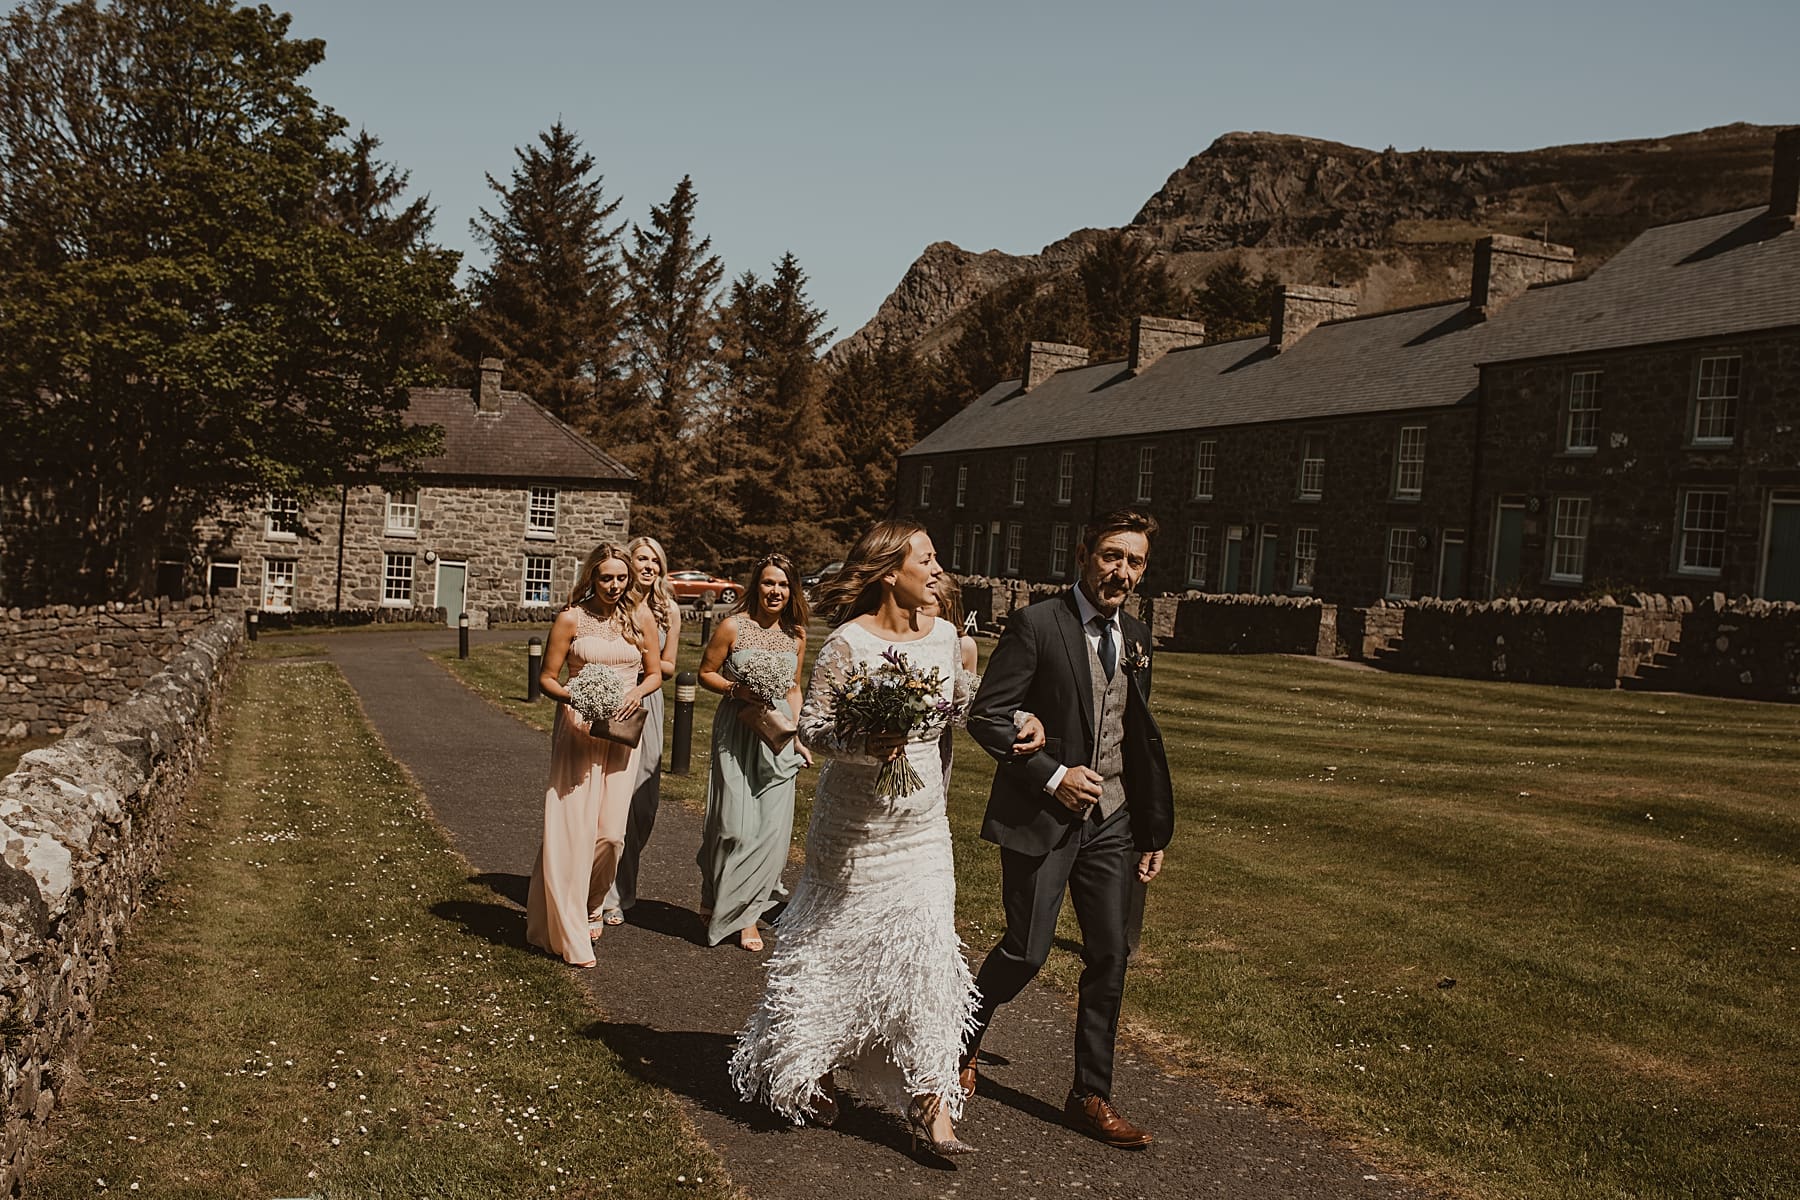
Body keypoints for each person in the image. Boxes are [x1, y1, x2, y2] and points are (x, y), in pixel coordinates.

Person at [730, 521, 1037, 1162]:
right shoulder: (847, 643)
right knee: (838, 951)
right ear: (891, 571)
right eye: (927, 559)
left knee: (930, 954)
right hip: (853, 831)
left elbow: (963, 707)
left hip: (923, 828)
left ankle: (932, 1100)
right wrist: (867, 745)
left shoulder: (949, 637)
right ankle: (808, 1065)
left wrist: (1020, 718)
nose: (938, 568)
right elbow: (812, 728)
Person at [960, 509, 1175, 1148]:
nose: (1122, 572)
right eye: (1112, 556)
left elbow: (1134, 738)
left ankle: (1090, 1094)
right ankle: (955, 1044)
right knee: (1027, 951)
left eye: (1134, 561)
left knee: (1110, 955)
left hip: (1113, 823)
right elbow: (988, 716)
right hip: (1044, 816)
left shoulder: (1137, 635)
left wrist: (1150, 831)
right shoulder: (1037, 624)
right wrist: (1054, 776)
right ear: (1084, 554)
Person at [526, 543, 663, 968]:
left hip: (621, 734)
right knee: (572, 829)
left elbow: (655, 673)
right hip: (577, 731)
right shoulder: (571, 618)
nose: (615, 585)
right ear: (592, 577)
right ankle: (567, 930)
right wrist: (577, 696)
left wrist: (635, 692)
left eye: (621, 577)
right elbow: (546, 678)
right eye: (607, 577)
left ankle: (592, 902)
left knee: (611, 835)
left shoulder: (640, 618)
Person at [696, 553, 812, 950]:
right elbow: (705, 673)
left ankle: (748, 916)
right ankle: (713, 890)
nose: (775, 591)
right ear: (755, 586)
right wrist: (736, 689)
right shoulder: (732, 626)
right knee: (734, 827)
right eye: (768, 583)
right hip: (737, 730)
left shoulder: (795, 635)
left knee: (771, 834)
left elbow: (794, 688)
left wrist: (796, 736)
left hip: (777, 734)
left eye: (782, 585)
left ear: (791, 590)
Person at [599, 535, 681, 926]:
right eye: (641, 559)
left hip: (648, 703)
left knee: (643, 806)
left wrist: (648, 662)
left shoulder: (669, 611)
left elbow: (668, 665)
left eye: (655, 561)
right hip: (615, 697)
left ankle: (624, 885)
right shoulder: (616, 603)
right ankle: (607, 893)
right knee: (612, 798)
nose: (648, 566)